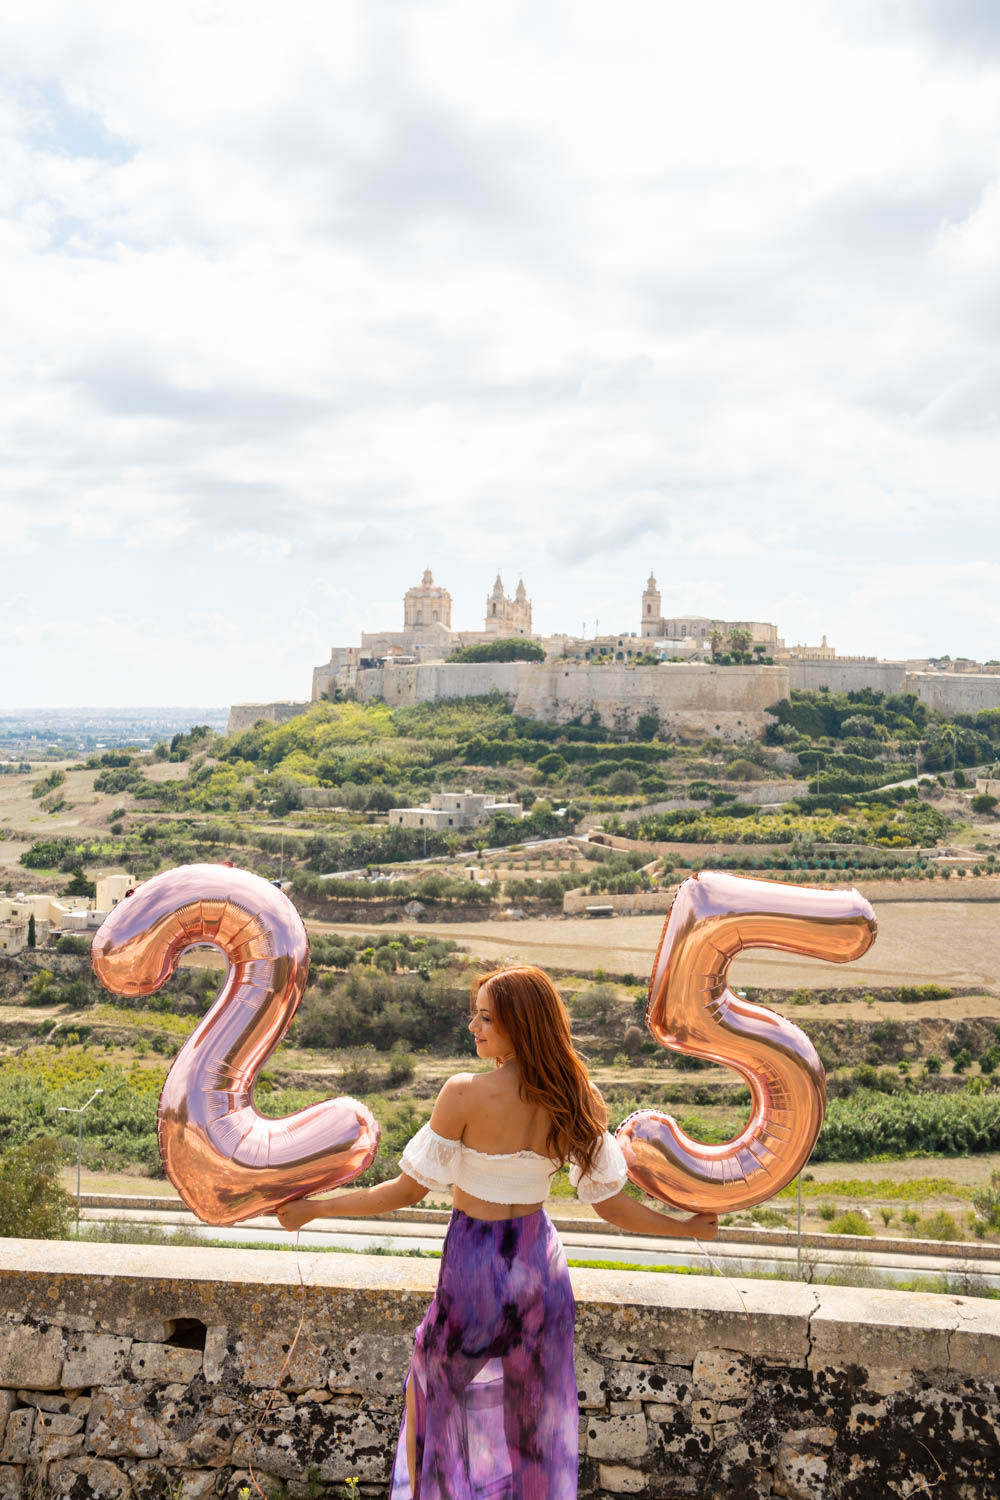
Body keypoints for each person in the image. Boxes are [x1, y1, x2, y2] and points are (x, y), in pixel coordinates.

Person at [277, 964, 717, 1498]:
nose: (473, 1027)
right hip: (538, 1265)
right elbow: (612, 1206)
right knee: (531, 1418)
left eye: (485, 1017)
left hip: (474, 1264)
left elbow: (405, 1192)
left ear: (520, 1024)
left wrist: (314, 1209)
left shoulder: (464, 1093)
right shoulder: (578, 1097)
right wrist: (686, 1228)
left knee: (434, 1390)